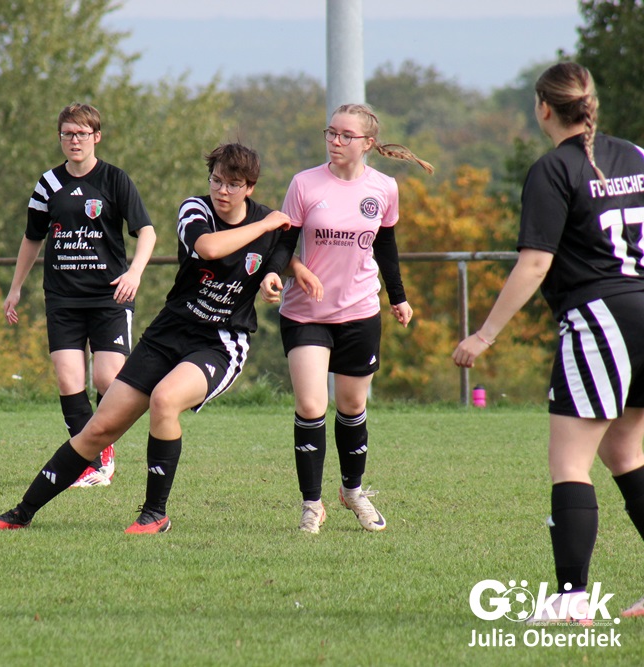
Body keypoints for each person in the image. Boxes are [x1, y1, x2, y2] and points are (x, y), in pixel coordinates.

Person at [0, 143, 296, 533]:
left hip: (220, 342)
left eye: (233, 184)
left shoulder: (269, 223)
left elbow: (283, 249)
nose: (222, 190)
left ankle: (155, 514)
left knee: (165, 400)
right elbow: (210, 248)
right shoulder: (196, 210)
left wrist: (277, 272)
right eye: (216, 180)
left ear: (250, 187)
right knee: (98, 429)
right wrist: (266, 226)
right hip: (168, 333)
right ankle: (21, 514)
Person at [452, 62, 644, 621]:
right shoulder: (635, 155)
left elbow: (535, 264)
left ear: (543, 108)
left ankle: (571, 598)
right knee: (625, 453)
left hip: (600, 320)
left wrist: (484, 334)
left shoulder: (553, 168)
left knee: (570, 463)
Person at [261, 103, 433, 534]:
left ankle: (352, 492)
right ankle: (311, 504)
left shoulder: (384, 188)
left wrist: (399, 298)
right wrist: (274, 272)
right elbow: (284, 243)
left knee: (352, 406)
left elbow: (386, 246)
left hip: (360, 311)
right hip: (306, 314)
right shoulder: (304, 183)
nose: (335, 141)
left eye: (345, 135)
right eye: (331, 133)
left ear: (368, 143)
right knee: (310, 405)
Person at [4, 103, 157, 488]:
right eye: (68, 134)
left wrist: (135, 273)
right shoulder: (48, 184)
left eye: (82, 134)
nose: (75, 140)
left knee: (108, 378)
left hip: (109, 297)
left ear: (96, 137)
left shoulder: (115, 180)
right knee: (68, 380)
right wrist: (15, 288)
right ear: (60, 138)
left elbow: (147, 231)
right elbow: (32, 238)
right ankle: (94, 462)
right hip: (63, 298)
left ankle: (101, 447)